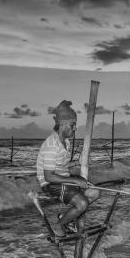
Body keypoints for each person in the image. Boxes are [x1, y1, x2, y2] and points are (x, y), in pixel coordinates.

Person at [36, 100, 100, 235]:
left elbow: (63, 166)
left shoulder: (66, 142)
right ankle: (59, 225)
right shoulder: (51, 145)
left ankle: (66, 218)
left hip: (63, 178)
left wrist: (78, 162)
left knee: (94, 192)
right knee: (82, 204)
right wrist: (76, 181)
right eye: (73, 125)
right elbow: (49, 176)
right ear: (62, 124)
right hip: (50, 183)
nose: (75, 128)